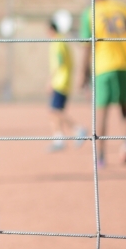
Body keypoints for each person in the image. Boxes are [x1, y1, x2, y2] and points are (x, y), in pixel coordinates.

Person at [80, 0, 126, 167]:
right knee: (125, 110)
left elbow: (87, 47)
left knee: (102, 114)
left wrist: (82, 73)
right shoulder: (125, 9)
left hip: (104, 67)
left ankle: (101, 157)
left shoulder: (91, 12)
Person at [46, 16, 86, 152]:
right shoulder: (62, 40)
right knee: (55, 111)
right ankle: (59, 139)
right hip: (64, 81)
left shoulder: (58, 42)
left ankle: (78, 129)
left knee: (55, 111)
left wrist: (51, 80)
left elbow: (59, 62)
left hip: (60, 81)